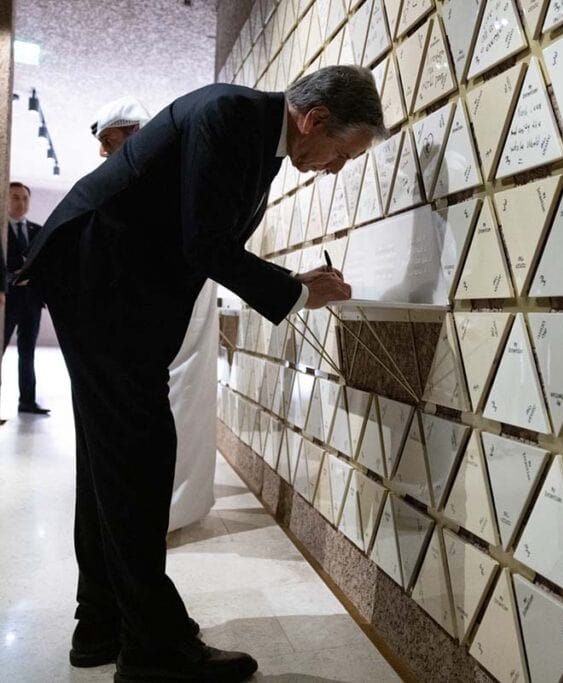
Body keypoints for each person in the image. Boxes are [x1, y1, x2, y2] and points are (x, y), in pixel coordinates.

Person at [19, 65, 383, 682]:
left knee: (113, 462)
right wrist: (295, 294)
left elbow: (198, 235)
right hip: (99, 283)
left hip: (104, 287)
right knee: (140, 460)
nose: (336, 166)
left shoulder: (255, 132)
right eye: (342, 153)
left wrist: (289, 285)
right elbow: (203, 244)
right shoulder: (230, 116)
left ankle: (104, 622)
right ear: (315, 118)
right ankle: (153, 650)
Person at [92, 97, 216, 532]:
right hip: (157, 309)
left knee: (181, 402)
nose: (105, 153)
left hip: (179, 304)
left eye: (111, 141)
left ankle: (170, 508)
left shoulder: (171, 172)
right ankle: (155, 507)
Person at [2, 181, 49, 415]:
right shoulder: (1, 231)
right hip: (6, 302)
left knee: (27, 352)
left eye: (24, 198)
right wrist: (12, 279)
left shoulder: (37, 231)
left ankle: (27, 401)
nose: (21, 202)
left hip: (31, 303)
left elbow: (42, 267)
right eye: (15, 197)